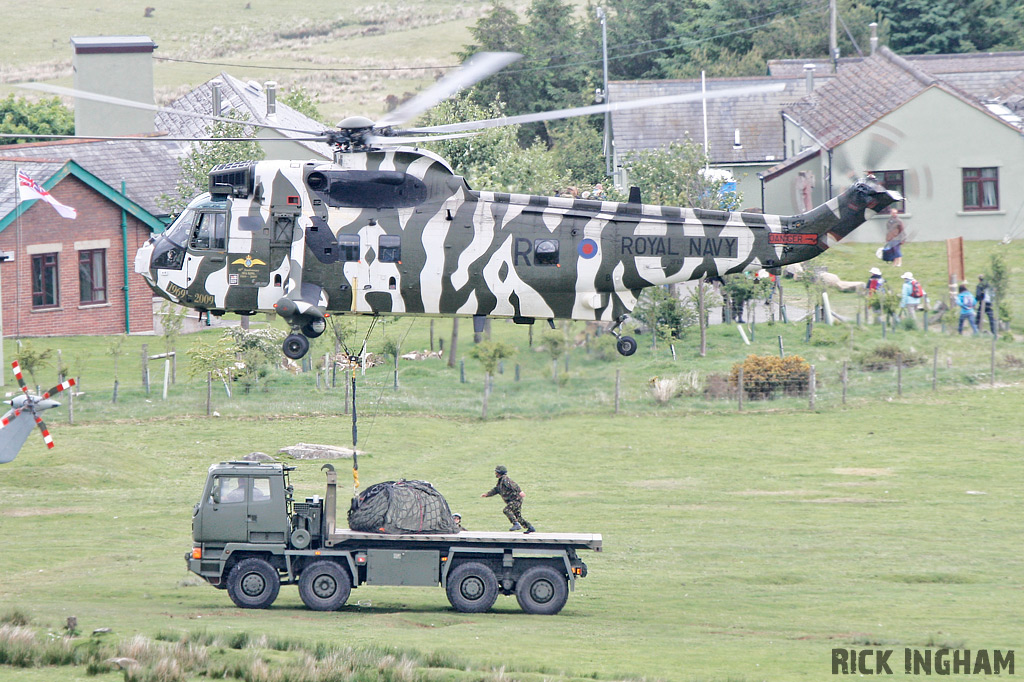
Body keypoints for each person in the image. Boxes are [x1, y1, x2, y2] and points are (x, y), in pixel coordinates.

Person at [481, 465, 535, 533]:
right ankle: (530, 527)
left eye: (496, 472)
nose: (495, 473)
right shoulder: (500, 482)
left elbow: (514, 485)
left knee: (506, 510)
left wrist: (520, 491)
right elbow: (496, 490)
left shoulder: (505, 479)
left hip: (516, 500)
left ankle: (516, 524)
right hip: (515, 500)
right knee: (517, 516)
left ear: (499, 472)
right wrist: (487, 494)